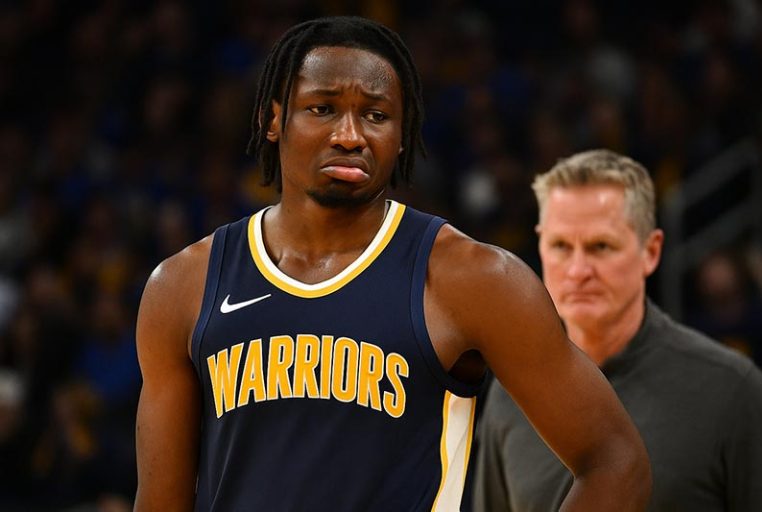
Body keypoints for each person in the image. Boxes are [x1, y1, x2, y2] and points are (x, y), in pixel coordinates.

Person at [134, 18, 651, 511]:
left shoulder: (472, 279)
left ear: (403, 135)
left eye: (376, 116)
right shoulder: (183, 286)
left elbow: (615, 460)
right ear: (273, 120)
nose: (350, 135)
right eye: (322, 108)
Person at [473, 149, 762, 511]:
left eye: (600, 246)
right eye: (561, 246)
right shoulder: (511, 393)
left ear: (651, 251)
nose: (578, 271)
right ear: (540, 246)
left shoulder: (733, 390)